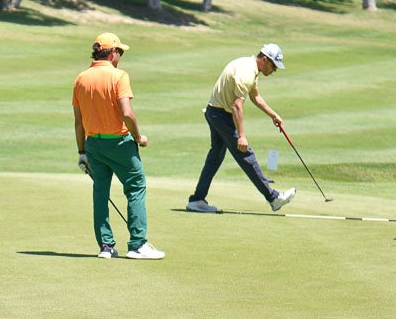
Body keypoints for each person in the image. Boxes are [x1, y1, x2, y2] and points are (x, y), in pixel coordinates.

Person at [72, 33, 164, 260]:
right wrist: (138, 136)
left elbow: (78, 121)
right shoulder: (119, 76)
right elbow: (127, 113)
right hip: (120, 144)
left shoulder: (81, 79)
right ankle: (137, 244)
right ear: (112, 52)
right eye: (119, 52)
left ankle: (106, 247)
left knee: (100, 193)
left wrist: (81, 152)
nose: (120, 57)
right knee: (136, 187)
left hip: (93, 145)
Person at [185, 45, 296, 213]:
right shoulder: (246, 72)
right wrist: (241, 136)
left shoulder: (250, 67)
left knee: (216, 157)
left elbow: (255, 97)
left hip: (215, 112)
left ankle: (197, 199)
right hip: (221, 115)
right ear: (265, 59)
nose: (274, 70)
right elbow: (237, 106)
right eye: (273, 66)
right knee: (245, 154)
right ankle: (273, 198)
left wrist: (274, 115)